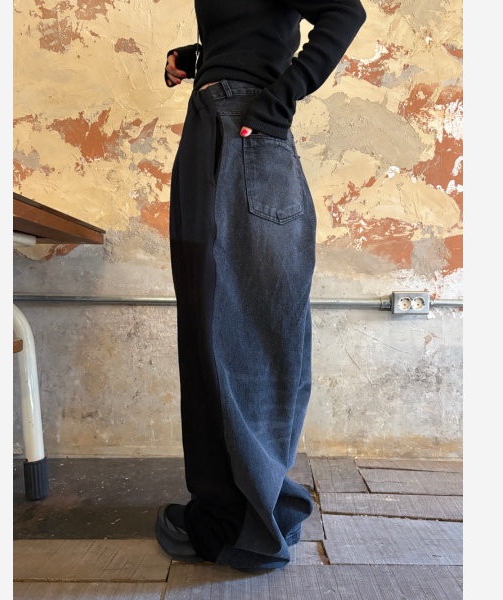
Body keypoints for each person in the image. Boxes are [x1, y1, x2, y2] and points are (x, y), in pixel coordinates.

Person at [156, 0, 366, 573]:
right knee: (207, 324)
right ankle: (225, 509)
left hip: (245, 128)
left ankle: (250, 525)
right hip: (213, 123)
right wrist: (198, 58)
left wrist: (280, 98)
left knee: (250, 327)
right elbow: (256, 28)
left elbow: (344, 12)